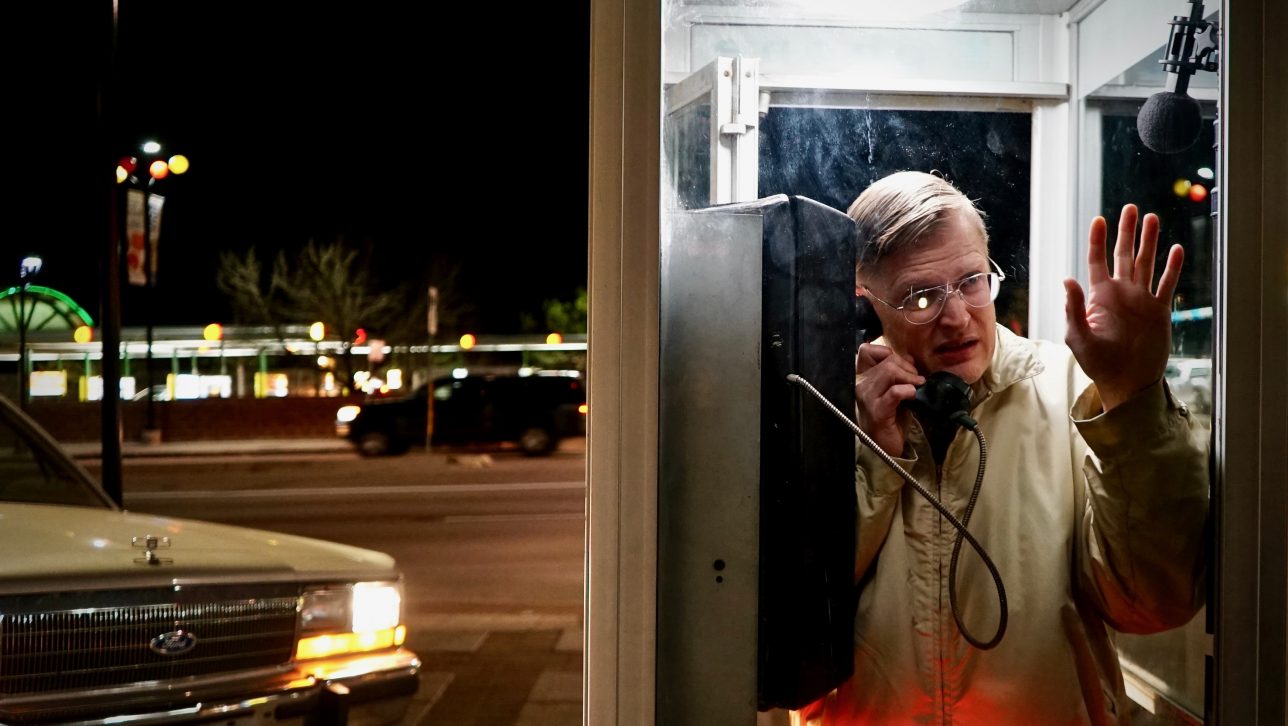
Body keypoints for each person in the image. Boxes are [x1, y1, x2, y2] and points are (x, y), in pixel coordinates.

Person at [797, 171, 1209, 724]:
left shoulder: (1073, 391)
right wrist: (876, 462)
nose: (956, 318)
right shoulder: (830, 409)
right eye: (920, 297)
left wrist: (1132, 401)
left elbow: (1156, 602)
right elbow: (793, 618)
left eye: (971, 281)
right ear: (866, 301)